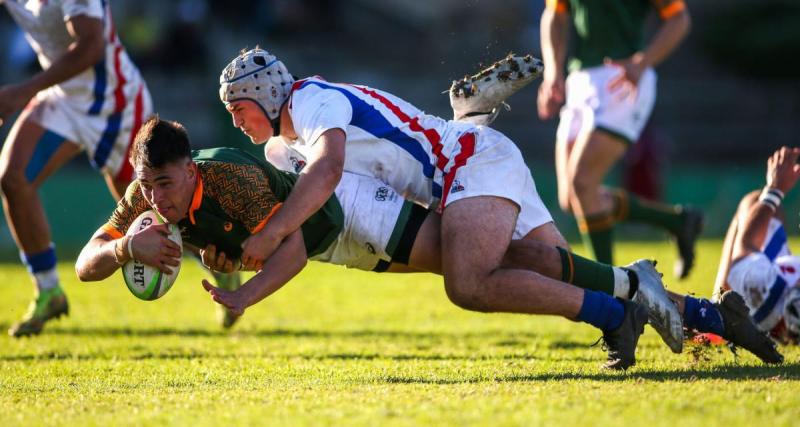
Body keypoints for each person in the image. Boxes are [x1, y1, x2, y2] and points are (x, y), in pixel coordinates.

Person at [76, 116, 654, 370]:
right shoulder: (144, 196)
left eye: (166, 184)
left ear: (191, 169)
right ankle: (625, 295)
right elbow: (86, 265)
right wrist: (126, 249)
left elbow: (293, 247)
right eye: (147, 187)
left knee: (477, 267)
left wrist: (244, 294)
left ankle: (619, 304)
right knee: (482, 260)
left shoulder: (232, 176)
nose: (156, 200)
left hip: (349, 212)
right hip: (341, 247)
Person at [0, 0, 153, 337]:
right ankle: (48, 289)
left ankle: (212, 261)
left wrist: (23, 90)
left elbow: (90, 46)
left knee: (152, 211)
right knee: (13, 178)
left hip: (114, 101)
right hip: (63, 96)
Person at [537, 0, 702, 278]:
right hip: (579, 80)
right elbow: (555, 14)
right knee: (571, 198)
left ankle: (613, 289)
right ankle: (677, 221)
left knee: (583, 183)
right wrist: (553, 72)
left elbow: (679, 19)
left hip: (623, 78)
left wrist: (643, 61)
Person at [704, 147, 800, 346]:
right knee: (763, 206)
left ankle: (716, 311)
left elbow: (745, 245)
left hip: (771, 302)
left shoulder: (771, 286)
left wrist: (774, 190)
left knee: (756, 202)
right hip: (781, 304)